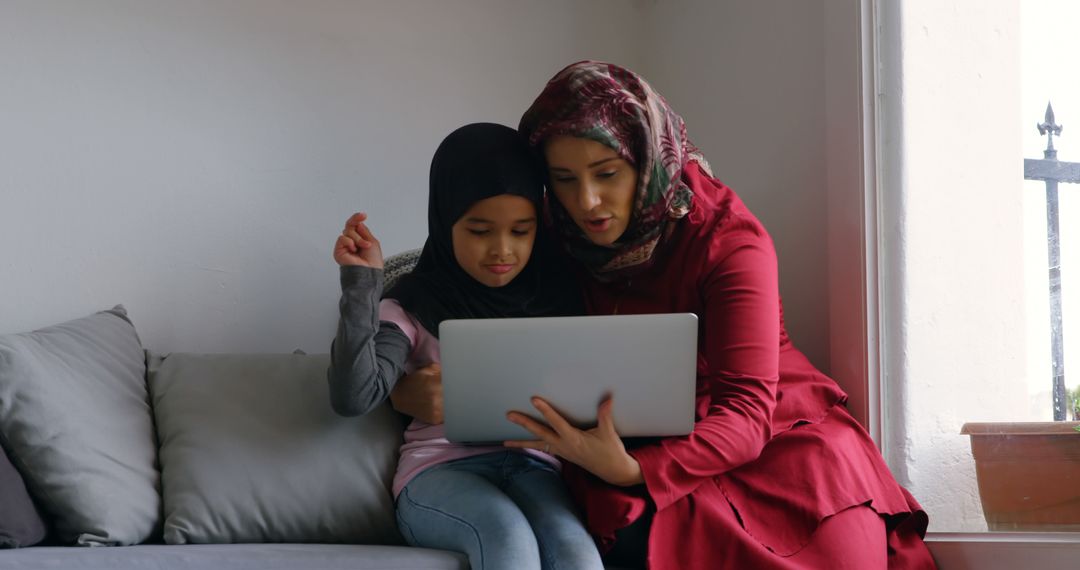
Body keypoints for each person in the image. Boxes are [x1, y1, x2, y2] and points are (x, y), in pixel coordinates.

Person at [393, 62, 937, 569]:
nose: (586, 202)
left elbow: (747, 411)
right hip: (631, 432)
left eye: (607, 173)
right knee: (629, 533)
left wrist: (632, 471)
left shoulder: (729, 242)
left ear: (646, 157)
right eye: (562, 178)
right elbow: (455, 278)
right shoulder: (552, 232)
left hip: (768, 431)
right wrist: (408, 386)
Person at [327, 122, 603, 570]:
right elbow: (353, 395)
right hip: (438, 474)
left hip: (536, 468)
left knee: (579, 554)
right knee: (506, 537)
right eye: (478, 230)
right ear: (444, 218)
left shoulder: (559, 297)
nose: (501, 250)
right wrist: (363, 283)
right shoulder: (413, 301)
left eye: (521, 230)